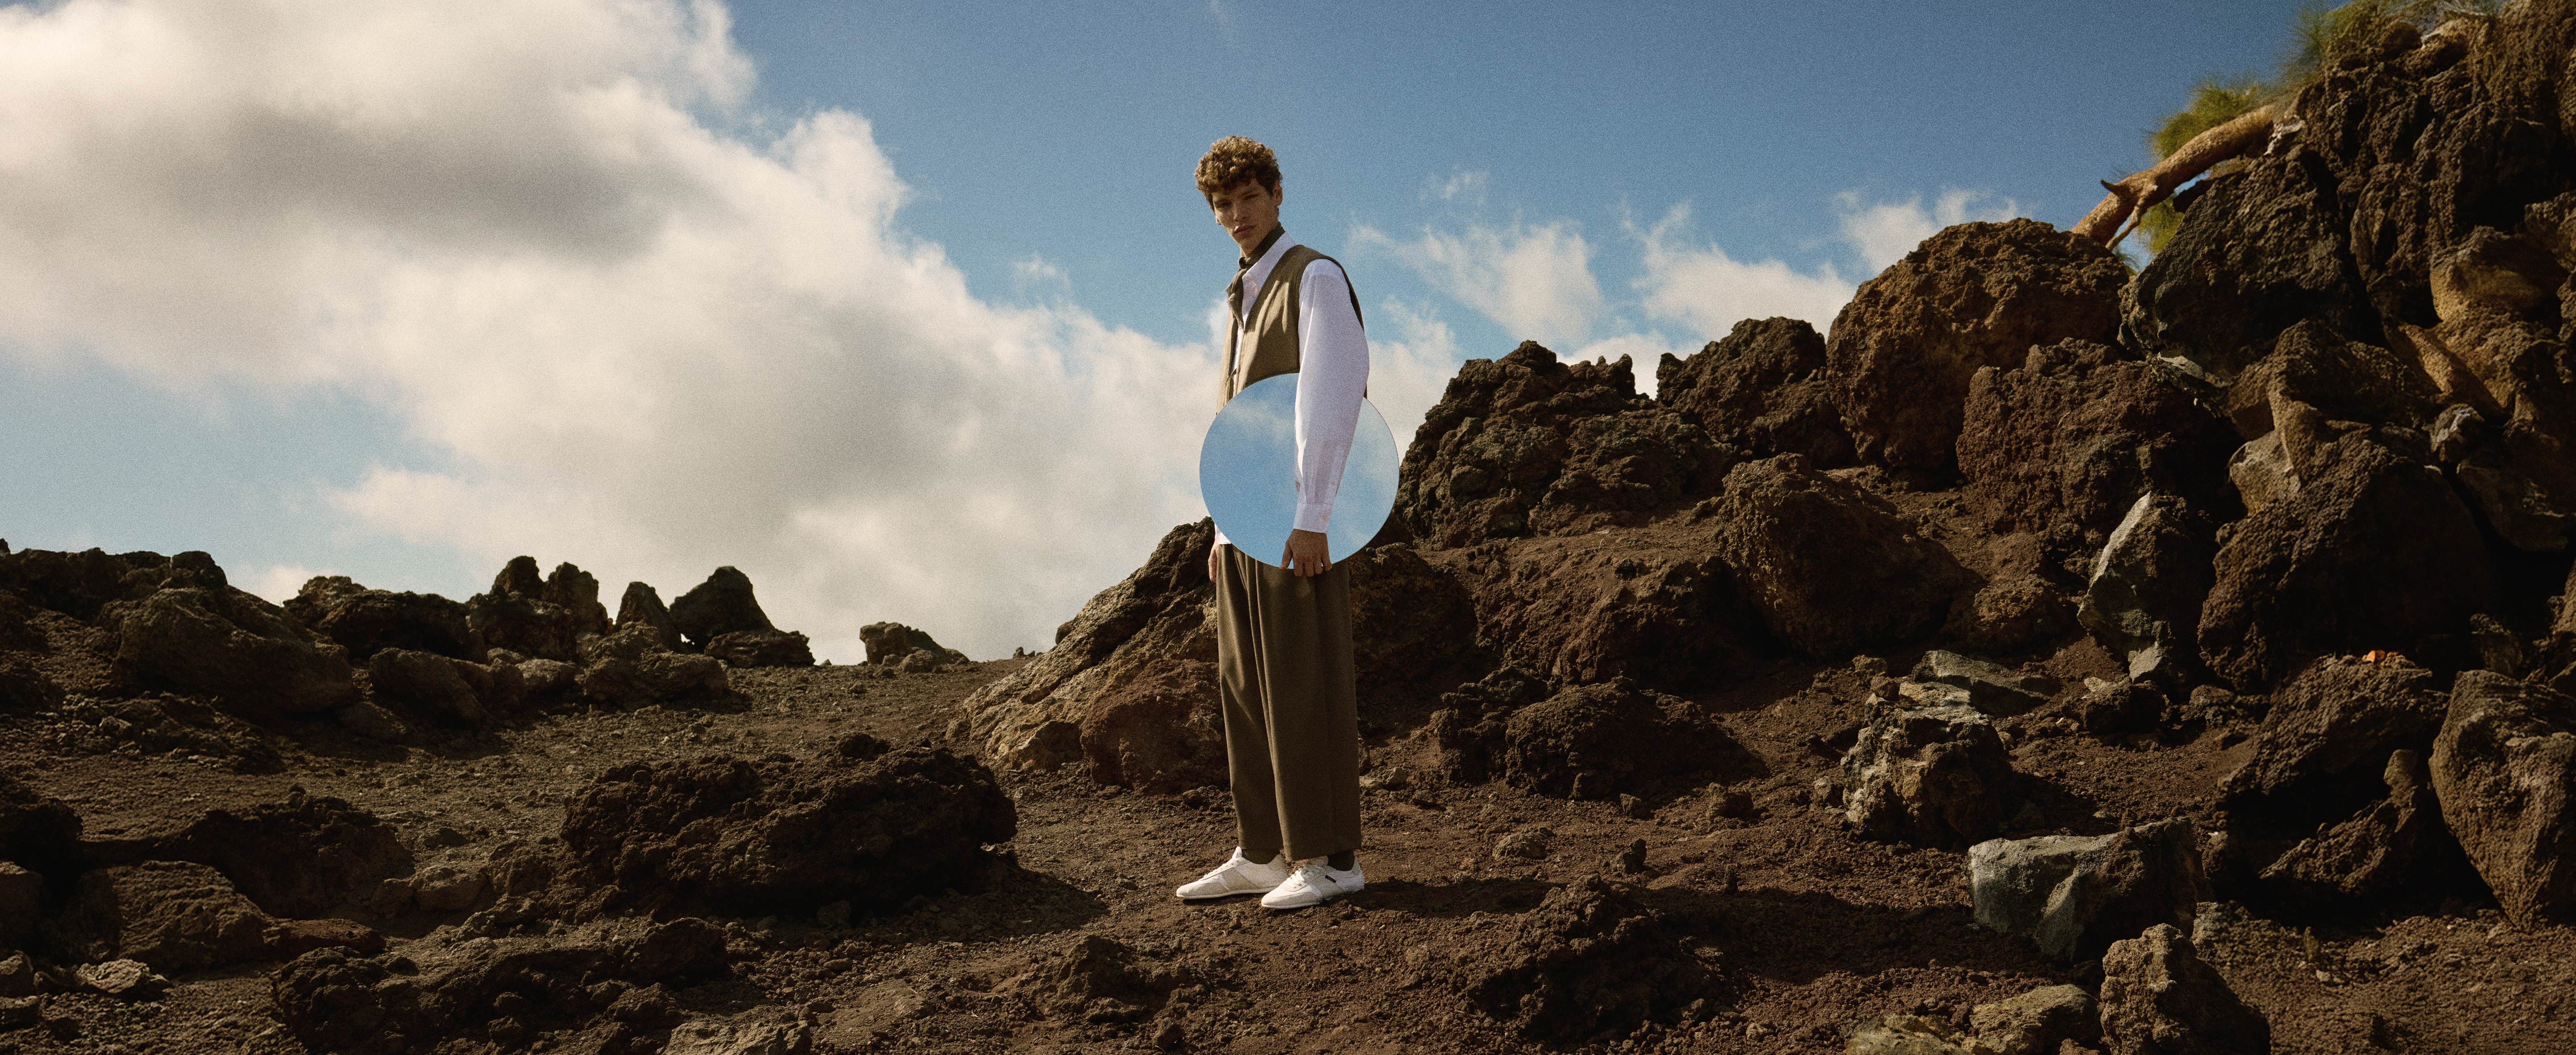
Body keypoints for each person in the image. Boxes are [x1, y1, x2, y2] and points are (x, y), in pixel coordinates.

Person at [1173, 135, 1370, 910]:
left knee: (1305, 683)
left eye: (1249, 199)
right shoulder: (1242, 291)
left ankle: (1331, 858)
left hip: (1298, 525)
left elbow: (1332, 396)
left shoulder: (1313, 276)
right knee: (1247, 688)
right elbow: (1243, 420)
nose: (1236, 216)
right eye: (1223, 205)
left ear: (1278, 195)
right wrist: (1222, 530)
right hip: (1246, 529)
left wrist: (1316, 515)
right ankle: (1262, 850)